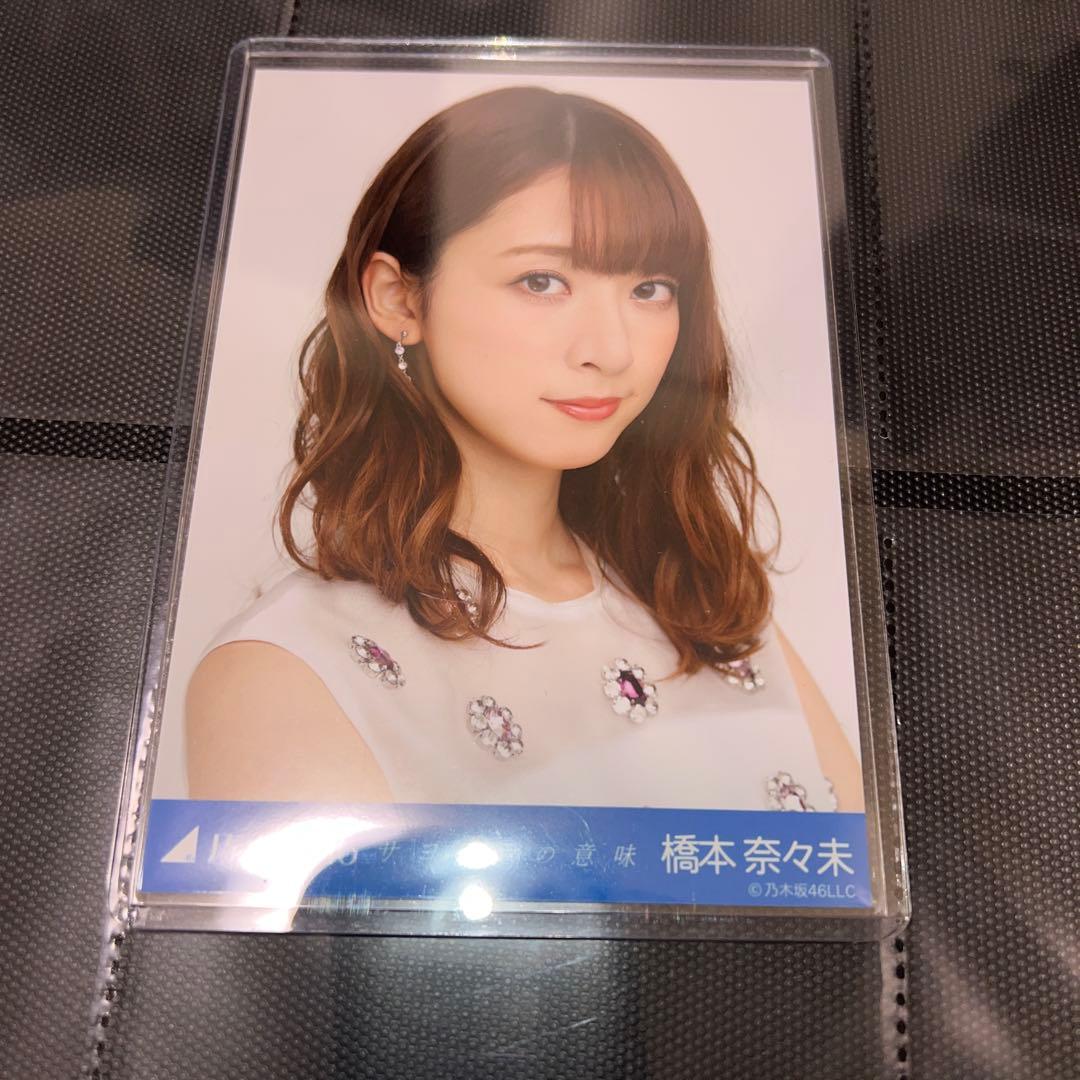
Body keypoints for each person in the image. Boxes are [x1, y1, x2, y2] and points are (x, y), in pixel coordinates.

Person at [185, 85, 863, 813]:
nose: (611, 350)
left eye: (650, 289)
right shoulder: (291, 670)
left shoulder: (712, 613)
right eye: (542, 281)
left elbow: (866, 876)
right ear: (398, 299)